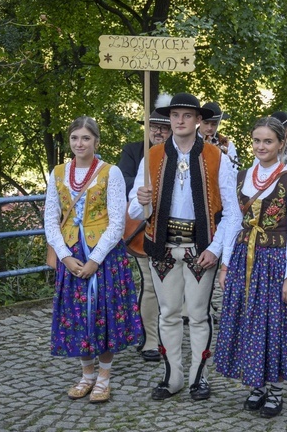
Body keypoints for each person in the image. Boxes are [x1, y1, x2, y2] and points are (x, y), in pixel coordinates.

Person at [128, 92, 242, 401]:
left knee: (198, 314)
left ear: (198, 121)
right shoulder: (152, 156)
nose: (180, 120)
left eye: (187, 115)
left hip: (200, 247)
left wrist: (216, 250)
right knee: (168, 313)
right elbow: (135, 211)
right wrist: (140, 202)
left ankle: (198, 377)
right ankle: (172, 376)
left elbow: (233, 212)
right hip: (162, 247)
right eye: (175, 115)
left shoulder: (217, 157)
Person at [214, 117, 287, 418]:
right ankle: (256, 383)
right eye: (257, 140)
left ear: (281, 143)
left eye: (268, 141)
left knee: (276, 324)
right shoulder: (242, 177)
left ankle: (276, 389)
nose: (261, 146)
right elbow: (232, 222)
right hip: (245, 259)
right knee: (249, 321)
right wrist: (226, 263)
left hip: (276, 261)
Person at [45, 116, 143, 403]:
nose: (80, 143)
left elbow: (116, 221)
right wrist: (64, 256)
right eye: (75, 138)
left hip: (104, 256)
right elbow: (51, 218)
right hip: (72, 255)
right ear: (70, 141)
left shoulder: (109, 172)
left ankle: (103, 376)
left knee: (103, 314)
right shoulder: (59, 172)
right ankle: (86, 374)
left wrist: (96, 259)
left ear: (96, 141)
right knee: (77, 315)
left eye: (86, 138)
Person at [117, 102, 171, 363]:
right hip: (142, 227)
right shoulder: (134, 151)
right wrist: (144, 189)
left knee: (173, 286)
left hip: (175, 229)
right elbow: (122, 181)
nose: (158, 132)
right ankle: (150, 339)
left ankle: (169, 334)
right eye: (154, 127)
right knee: (150, 284)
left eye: (164, 128)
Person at [200, 102, 240, 171]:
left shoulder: (227, 144)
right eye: (206, 123)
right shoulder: (188, 140)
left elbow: (233, 171)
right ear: (199, 120)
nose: (209, 127)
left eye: (214, 124)